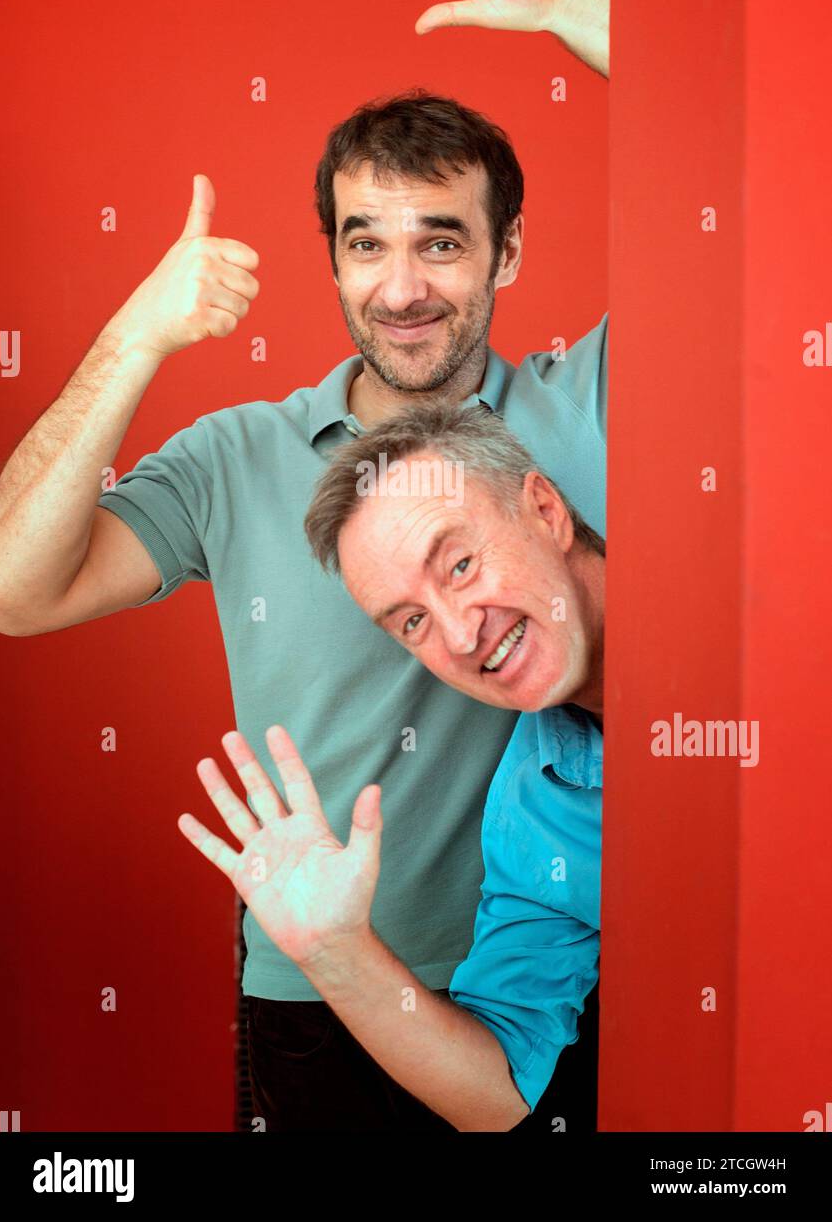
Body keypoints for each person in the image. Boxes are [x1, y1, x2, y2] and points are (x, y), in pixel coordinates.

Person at [0, 0, 609, 1131]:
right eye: (365, 243)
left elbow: (789, 215)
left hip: (558, 977)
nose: (402, 287)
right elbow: (9, 588)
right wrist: (137, 336)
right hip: (319, 980)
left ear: (510, 252)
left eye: (442, 242)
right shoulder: (238, 455)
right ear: (329, 258)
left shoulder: (586, 403)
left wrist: (594, 23)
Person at [178, 403, 605, 1132]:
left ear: (543, 509)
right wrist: (335, 951)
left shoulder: (756, 600)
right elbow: (499, 1095)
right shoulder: (536, 804)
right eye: (412, 621)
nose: (463, 632)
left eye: (460, 564)